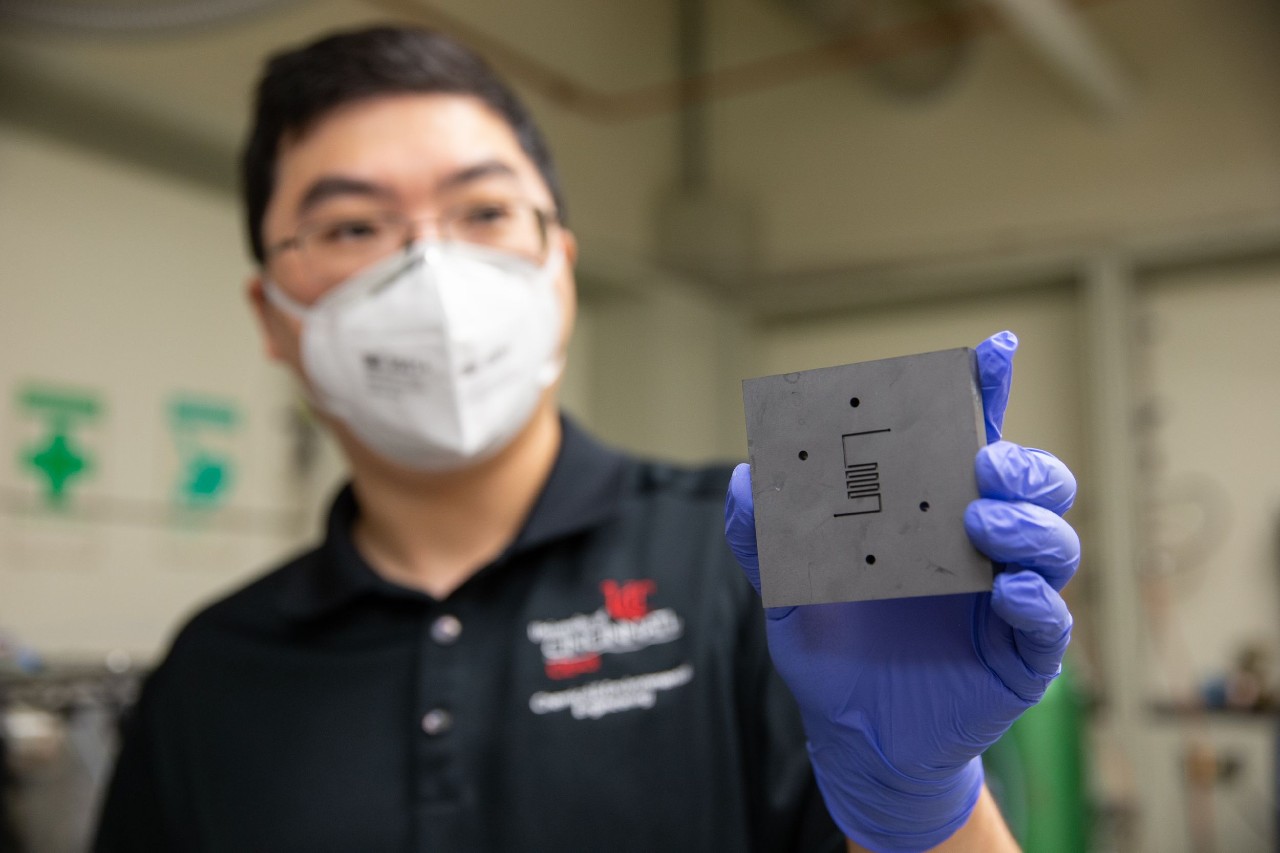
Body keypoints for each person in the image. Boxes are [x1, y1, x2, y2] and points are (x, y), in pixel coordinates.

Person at [92, 25, 1079, 853]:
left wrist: (922, 806)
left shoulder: (759, 565)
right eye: (351, 227)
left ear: (558, 270)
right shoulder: (210, 672)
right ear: (271, 316)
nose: (429, 271)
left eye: (482, 211)